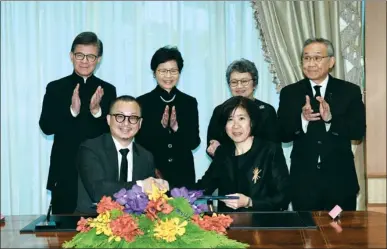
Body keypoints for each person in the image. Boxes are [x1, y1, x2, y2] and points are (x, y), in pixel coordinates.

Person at [277, 38, 366, 211]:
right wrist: (302, 120)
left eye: (317, 58)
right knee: (307, 236)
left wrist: (331, 120)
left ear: (331, 61)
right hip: (303, 184)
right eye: (306, 58)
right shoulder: (290, 93)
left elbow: (357, 131)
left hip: (340, 184)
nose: (311, 63)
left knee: (339, 233)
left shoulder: (349, 91)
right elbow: (282, 134)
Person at [39, 32, 117, 214]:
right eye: (80, 55)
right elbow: (46, 127)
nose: (84, 61)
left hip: (100, 173)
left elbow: (116, 132)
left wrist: (97, 112)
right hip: (64, 170)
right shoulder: (55, 88)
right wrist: (71, 112)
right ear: (71, 56)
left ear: (98, 59)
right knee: (61, 236)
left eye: (91, 56)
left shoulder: (108, 90)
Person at [76, 96, 169, 214]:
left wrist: (158, 188)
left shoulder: (146, 157)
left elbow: (149, 202)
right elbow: (98, 191)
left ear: (140, 123)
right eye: (120, 117)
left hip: (134, 226)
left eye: (133, 118)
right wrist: (141, 186)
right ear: (109, 119)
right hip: (92, 223)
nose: (126, 123)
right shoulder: (90, 148)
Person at [196, 96, 290, 212]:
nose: (235, 126)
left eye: (241, 118)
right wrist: (170, 190)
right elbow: (204, 187)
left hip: (262, 223)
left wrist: (249, 202)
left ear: (252, 121)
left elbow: (283, 198)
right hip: (228, 224)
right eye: (230, 120)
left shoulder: (270, 150)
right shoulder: (222, 152)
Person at [135, 46, 200, 189]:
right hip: (152, 173)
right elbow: (139, 143)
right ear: (154, 73)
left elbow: (194, 143)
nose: (168, 76)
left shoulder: (189, 102)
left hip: (183, 174)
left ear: (179, 72)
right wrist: (162, 128)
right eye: (163, 71)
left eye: (173, 71)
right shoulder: (142, 102)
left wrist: (176, 128)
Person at [207, 59, 278, 158]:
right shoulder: (220, 110)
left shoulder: (267, 111)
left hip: (259, 169)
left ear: (254, 84)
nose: (239, 86)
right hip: (227, 168)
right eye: (234, 82)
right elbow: (212, 145)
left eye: (244, 81)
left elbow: (273, 146)